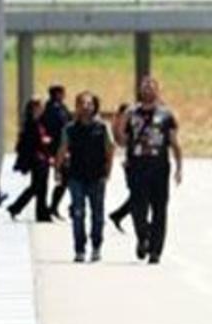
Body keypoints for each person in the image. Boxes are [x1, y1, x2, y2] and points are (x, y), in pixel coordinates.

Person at [121, 77, 183, 265]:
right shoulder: (132, 114)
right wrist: (119, 121)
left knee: (159, 209)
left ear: (157, 91)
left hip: (159, 167)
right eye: (144, 87)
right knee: (137, 207)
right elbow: (122, 140)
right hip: (137, 167)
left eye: (151, 87)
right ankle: (143, 237)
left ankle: (155, 250)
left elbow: (174, 142)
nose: (148, 90)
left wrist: (179, 167)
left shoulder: (166, 115)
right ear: (140, 91)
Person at [55, 91, 114, 263]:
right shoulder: (70, 129)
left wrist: (108, 171)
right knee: (78, 213)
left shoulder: (103, 127)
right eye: (82, 103)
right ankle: (79, 248)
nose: (86, 107)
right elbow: (62, 149)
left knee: (98, 214)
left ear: (94, 106)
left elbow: (110, 149)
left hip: (97, 176)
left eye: (89, 103)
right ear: (77, 107)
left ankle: (96, 246)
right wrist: (57, 169)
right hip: (76, 177)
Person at [8, 98, 54, 222]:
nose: (43, 109)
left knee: (42, 187)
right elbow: (32, 142)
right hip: (37, 159)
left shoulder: (37, 122)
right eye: (41, 106)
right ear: (35, 108)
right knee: (36, 187)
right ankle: (15, 207)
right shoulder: (31, 123)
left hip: (42, 159)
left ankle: (42, 213)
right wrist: (44, 141)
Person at [42, 84, 72, 220]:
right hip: (58, 148)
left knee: (64, 179)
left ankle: (53, 207)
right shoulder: (54, 110)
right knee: (64, 178)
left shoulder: (58, 107)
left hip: (60, 147)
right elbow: (61, 127)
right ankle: (52, 207)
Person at [108, 103, 134, 233]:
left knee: (138, 195)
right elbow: (120, 141)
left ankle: (118, 215)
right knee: (138, 195)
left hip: (132, 161)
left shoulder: (122, 124)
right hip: (131, 163)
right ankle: (118, 215)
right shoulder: (121, 124)